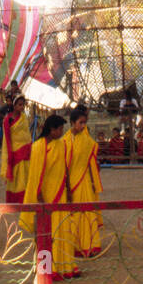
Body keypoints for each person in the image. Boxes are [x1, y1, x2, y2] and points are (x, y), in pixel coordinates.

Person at [20, 114, 78, 280]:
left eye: (62, 129)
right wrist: (39, 198)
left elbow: (65, 169)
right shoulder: (38, 146)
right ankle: (46, 267)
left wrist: (68, 191)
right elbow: (35, 175)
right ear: (51, 129)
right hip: (46, 195)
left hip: (60, 194)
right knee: (47, 233)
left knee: (62, 230)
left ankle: (64, 265)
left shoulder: (62, 145)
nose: (61, 131)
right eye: (59, 129)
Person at [64, 107, 103, 258]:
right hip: (73, 182)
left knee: (88, 213)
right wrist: (67, 189)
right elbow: (65, 167)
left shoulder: (86, 140)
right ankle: (76, 245)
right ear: (72, 123)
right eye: (80, 123)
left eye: (84, 123)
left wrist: (94, 182)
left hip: (85, 181)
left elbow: (90, 162)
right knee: (76, 215)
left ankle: (91, 245)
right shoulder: (66, 141)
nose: (83, 126)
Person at [0, 93, 31, 203]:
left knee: (24, 177)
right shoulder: (8, 120)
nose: (22, 107)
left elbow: (27, 134)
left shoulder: (24, 118)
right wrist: (9, 155)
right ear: (14, 105)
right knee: (15, 179)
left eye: (23, 105)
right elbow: (7, 139)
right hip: (14, 152)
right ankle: (14, 200)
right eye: (19, 105)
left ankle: (24, 199)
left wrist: (29, 147)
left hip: (25, 151)